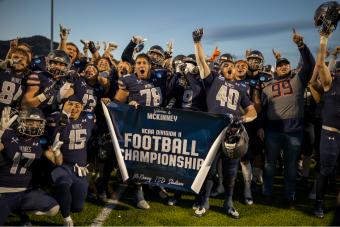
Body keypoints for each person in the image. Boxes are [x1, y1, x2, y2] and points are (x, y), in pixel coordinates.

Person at [193, 28, 257, 219]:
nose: (229, 66)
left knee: (230, 171)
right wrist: (197, 43)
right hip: (213, 129)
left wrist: (244, 118)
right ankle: (205, 201)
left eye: (232, 64)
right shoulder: (213, 79)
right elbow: (202, 63)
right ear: (221, 68)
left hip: (232, 130)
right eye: (226, 64)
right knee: (210, 169)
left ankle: (228, 203)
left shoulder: (241, 87)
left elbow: (252, 110)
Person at [258, 29, 315, 209]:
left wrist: (301, 46)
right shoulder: (267, 86)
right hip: (272, 131)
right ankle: (267, 193)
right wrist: (260, 126)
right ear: (276, 68)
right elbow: (262, 109)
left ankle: (289, 196)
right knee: (269, 165)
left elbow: (309, 64)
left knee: (290, 167)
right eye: (280, 65)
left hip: (293, 131)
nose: (283, 66)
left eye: (286, 64)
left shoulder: (298, 80)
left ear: (290, 66)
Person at [0, 107, 60, 225]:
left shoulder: (41, 142)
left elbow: (57, 162)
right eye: (30, 122)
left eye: (37, 123)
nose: (34, 126)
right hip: (2, 191)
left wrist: (57, 153)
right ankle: (13, 211)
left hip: (24, 192)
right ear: (21, 121)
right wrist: (1, 132)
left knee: (53, 208)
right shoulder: (8, 135)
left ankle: (20, 211)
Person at [48, 96, 95, 226]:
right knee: (63, 185)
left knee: (77, 208)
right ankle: (66, 218)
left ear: (82, 107)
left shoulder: (88, 118)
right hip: (62, 165)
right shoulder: (56, 118)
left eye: (77, 105)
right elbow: (50, 140)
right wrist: (63, 121)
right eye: (70, 104)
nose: (73, 108)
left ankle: (57, 196)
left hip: (79, 168)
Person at [312, 32, 340, 219]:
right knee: (325, 170)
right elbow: (321, 64)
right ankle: (319, 203)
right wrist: (324, 39)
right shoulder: (331, 83)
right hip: (331, 134)